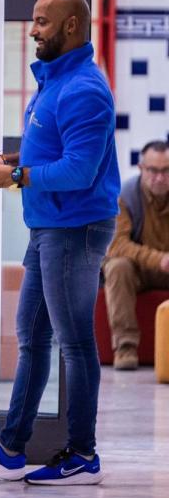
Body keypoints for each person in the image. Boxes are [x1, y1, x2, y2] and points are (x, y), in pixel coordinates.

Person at [0, 0, 119, 486]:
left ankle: (83, 455)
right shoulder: (54, 82)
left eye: (42, 22)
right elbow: (55, 152)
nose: (32, 30)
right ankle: (11, 449)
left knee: (74, 343)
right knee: (32, 336)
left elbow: (81, 170)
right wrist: (15, 163)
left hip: (75, 230)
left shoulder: (85, 89)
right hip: (48, 227)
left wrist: (18, 176)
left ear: (71, 27)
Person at [102, 140, 169, 370]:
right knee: (117, 266)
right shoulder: (125, 196)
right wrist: (159, 259)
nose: (160, 177)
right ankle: (125, 348)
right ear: (141, 168)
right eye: (153, 170)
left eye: (166, 170)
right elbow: (116, 245)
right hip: (139, 271)